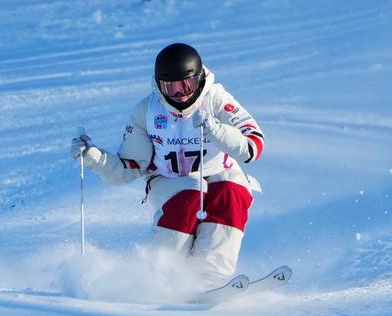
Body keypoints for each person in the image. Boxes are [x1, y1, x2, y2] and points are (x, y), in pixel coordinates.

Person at [71, 42, 264, 289]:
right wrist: (93, 157)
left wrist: (218, 131)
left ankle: (208, 280)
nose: (181, 93)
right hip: (169, 180)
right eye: (170, 87)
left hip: (219, 172)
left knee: (232, 192)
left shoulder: (216, 99)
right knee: (191, 193)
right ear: (159, 85)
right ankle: (158, 276)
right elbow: (127, 170)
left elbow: (252, 147)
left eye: (187, 84)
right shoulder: (148, 111)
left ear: (199, 79)